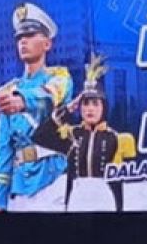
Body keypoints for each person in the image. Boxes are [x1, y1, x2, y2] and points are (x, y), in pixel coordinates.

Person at [0, 2, 73, 211]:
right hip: (20, 188)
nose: (23, 41)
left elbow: (49, 96)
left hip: (55, 179)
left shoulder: (60, 77)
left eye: (30, 35)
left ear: (47, 44)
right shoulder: (7, 90)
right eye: (19, 37)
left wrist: (22, 101)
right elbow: (4, 151)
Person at [33, 53, 137, 212]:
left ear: (104, 107)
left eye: (95, 104)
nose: (90, 109)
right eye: (85, 104)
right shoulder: (71, 134)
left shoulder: (116, 139)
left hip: (105, 201)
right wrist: (67, 108)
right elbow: (39, 137)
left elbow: (122, 182)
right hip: (76, 201)